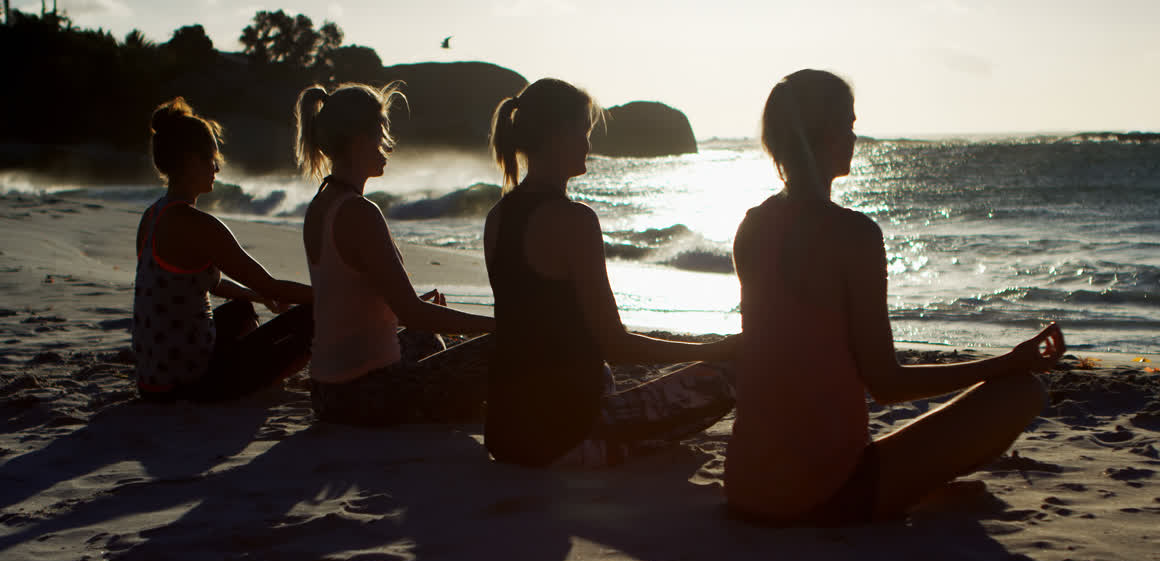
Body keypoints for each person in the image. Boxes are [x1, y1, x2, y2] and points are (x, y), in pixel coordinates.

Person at [726, 70, 1066, 525]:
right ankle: (908, 488)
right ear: (823, 134)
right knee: (1021, 393)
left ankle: (912, 483)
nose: (854, 137)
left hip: (747, 486)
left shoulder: (752, 224)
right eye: (847, 125)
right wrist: (1007, 362)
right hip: (820, 495)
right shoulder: (852, 234)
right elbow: (887, 384)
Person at [483, 78, 737, 468]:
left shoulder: (498, 216)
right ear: (555, 135)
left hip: (504, 432)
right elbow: (617, 346)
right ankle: (606, 447)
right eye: (582, 132)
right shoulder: (574, 219)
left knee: (601, 376)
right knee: (725, 377)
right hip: (558, 439)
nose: (588, 144)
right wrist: (712, 350)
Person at [295, 82, 496, 425]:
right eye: (381, 133)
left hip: (328, 390)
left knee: (427, 340)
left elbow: (352, 296)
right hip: (366, 395)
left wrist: (410, 308)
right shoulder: (359, 212)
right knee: (505, 345)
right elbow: (413, 313)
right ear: (360, 140)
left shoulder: (322, 204)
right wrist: (500, 326)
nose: (387, 144)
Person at [133, 97, 314, 403]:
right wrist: (341, 297)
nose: (216, 167)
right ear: (190, 160)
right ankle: (256, 383)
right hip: (193, 384)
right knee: (314, 315)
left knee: (242, 307)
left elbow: (209, 284)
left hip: (153, 380)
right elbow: (271, 284)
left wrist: (259, 298)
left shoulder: (152, 216)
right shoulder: (198, 224)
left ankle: (247, 370)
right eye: (210, 158)